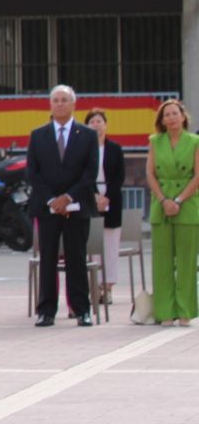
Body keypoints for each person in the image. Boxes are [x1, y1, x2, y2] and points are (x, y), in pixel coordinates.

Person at [27, 84, 97, 328]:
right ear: (50, 104)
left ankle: (81, 309)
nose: (59, 104)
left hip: (77, 207)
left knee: (76, 258)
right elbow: (33, 173)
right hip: (47, 208)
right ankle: (46, 311)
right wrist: (52, 200)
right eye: (55, 100)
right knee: (47, 259)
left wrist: (67, 198)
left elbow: (89, 173)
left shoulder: (87, 135)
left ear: (73, 104)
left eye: (64, 100)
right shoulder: (38, 135)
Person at [146, 98, 199, 327]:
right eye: (166, 114)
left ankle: (185, 311)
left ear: (183, 116)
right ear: (162, 120)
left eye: (175, 113)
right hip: (161, 203)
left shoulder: (194, 141)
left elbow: (198, 175)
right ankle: (165, 312)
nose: (171, 118)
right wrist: (164, 200)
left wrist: (178, 200)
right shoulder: (155, 141)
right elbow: (150, 174)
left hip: (187, 203)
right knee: (162, 261)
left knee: (187, 261)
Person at [86, 109, 127, 307]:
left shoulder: (115, 148)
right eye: (92, 121)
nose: (96, 124)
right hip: (90, 197)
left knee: (110, 244)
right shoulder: (84, 149)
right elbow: (83, 174)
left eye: (99, 121)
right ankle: (94, 287)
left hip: (112, 199)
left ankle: (108, 288)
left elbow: (120, 176)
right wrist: (94, 195)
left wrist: (106, 197)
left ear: (106, 124)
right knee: (93, 245)